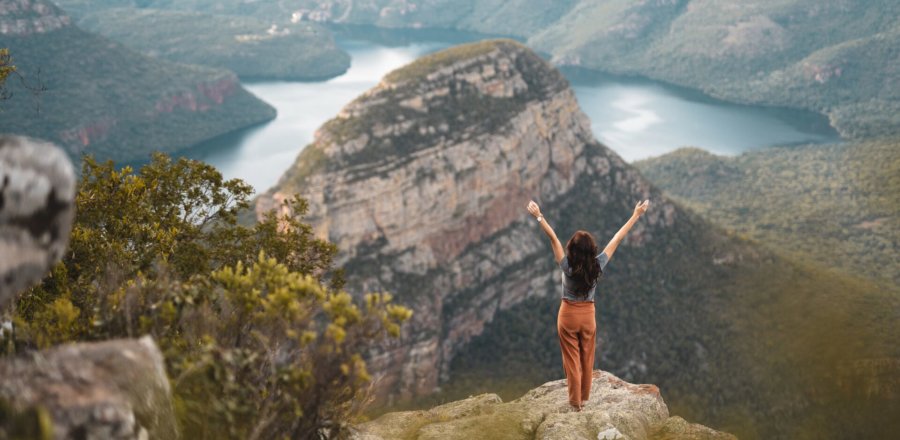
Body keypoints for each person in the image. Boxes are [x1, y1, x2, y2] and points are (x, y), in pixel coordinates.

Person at [526, 198, 650, 411]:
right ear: (592, 250)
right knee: (587, 356)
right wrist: (636, 215)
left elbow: (553, 238)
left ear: (572, 249)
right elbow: (617, 238)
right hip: (588, 316)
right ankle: (584, 397)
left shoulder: (567, 266)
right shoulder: (598, 265)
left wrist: (539, 216)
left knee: (572, 359)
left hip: (567, 315)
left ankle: (575, 403)